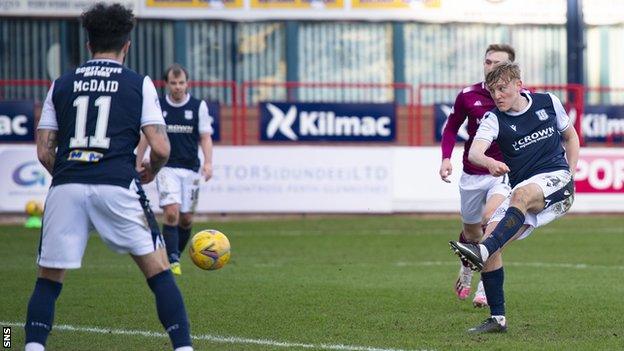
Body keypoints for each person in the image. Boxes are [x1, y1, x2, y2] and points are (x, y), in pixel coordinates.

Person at [25, 3, 193, 351]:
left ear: (88, 45)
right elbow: (160, 148)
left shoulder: (61, 83)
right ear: (126, 45)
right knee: (159, 271)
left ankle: (25, 345)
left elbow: (43, 151)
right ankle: (183, 347)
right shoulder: (139, 84)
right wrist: (151, 171)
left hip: (66, 186)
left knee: (48, 279)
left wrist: (74, 173)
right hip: (117, 183)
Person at [450, 62, 580, 333]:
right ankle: (497, 319)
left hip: (554, 180)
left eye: (502, 88)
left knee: (518, 196)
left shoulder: (547, 102)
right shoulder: (494, 119)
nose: (497, 96)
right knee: (490, 237)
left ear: (518, 85)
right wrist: (488, 162)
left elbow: (570, 136)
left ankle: (480, 252)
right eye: (492, 91)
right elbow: (475, 152)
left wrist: (570, 172)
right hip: (524, 189)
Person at [439, 44, 515, 306]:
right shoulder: (468, 95)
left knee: (490, 221)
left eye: (497, 63)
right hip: (472, 174)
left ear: (510, 69)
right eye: (487, 62)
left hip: (502, 173)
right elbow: (451, 128)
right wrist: (446, 158)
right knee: (471, 233)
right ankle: (467, 267)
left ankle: (485, 285)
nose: (490, 67)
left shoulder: (520, 96)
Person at [136, 64, 214, 276]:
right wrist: (139, 158)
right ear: (166, 84)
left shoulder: (199, 106)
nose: (178, 87)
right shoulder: (158, 106)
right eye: (174, 83)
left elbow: (205, 137)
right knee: (172, 213)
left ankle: (174, 254)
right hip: (166, 167)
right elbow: (145, 135)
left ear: (187, 84)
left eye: (181, 83)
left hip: (191, 169)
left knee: (186, 218)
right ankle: (172, 261)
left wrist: (208, 162)